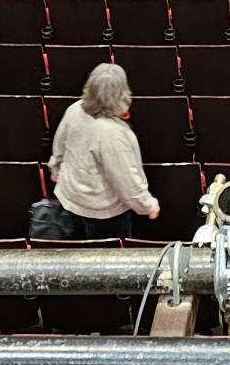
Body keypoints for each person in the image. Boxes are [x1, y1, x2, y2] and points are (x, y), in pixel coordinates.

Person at [44, 63, 159, 238]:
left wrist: (57, 173)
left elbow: (58, 151)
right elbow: (125, 180)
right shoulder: (112, 133)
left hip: (69, 198)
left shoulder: (75, 109)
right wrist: (148, 206)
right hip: (102, 213)